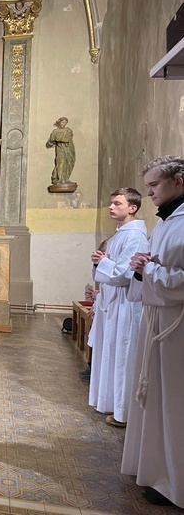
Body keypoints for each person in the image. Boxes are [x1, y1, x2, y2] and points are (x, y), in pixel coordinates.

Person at [122, 155, 184, 508]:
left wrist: (151, 272)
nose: (148, 192)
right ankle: (161, 474)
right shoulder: (165, 224)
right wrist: (141, 269)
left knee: (174, 403)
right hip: (158, 321)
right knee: (158, 399)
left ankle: (176, 482)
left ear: (179, 182)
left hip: (176, 328)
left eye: (154, 185)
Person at [86, 188, 148, 427]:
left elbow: (125, 273)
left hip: (125, 303)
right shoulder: (118, 235)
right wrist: (98, 261)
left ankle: (123, 412)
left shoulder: (135, 237)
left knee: (122, 355)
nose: (111, 207)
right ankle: (110, 403)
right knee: (111, 354)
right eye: (111, 203)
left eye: (117, 203)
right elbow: (111, 268)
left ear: (132, 208)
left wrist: (104, 262)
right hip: (112, 302)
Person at [46, 117, 76, 185]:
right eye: (62, 122)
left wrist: (59, 138)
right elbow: (49, 143)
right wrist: (52, 141)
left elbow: (68, 139)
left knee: (68, 163)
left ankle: (66, 179)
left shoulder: (68, 130)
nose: (64, 124)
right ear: (59, 122)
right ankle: (60, 179)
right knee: (61, 162)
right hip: (60, 150)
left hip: (68, 150)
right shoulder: (55, 131)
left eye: (65, 122)